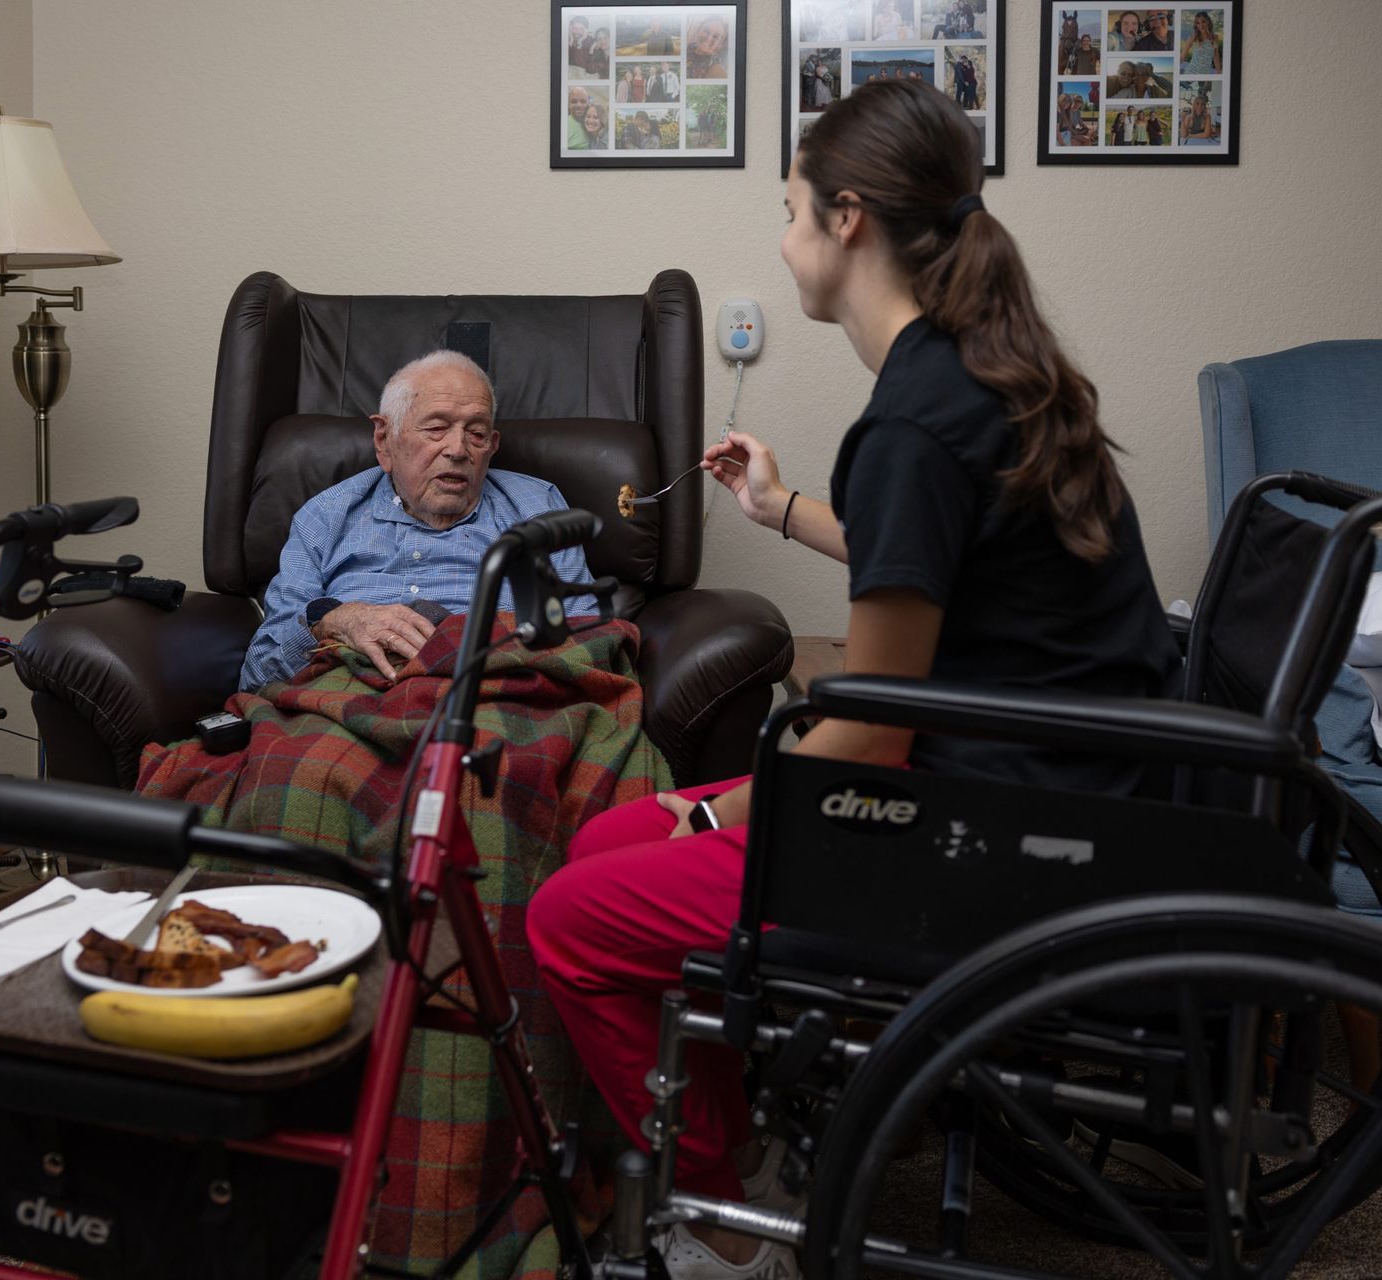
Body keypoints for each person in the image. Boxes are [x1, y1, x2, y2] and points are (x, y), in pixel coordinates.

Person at [527, 77, 1178, 1280]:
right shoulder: (971, 373)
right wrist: (776, 508)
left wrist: (715, 801)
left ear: (847, 218)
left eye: (787, 210)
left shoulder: (917, 422)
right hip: (1060, 787)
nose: (780, 242)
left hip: (979, 832)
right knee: (611, 849)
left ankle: (727, 1223)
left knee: (571, 910)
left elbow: (870, 745)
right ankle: (746, 1149)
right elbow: (933, 564)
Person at [238, 351, 590, 690]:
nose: (458, 449)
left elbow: (590, 644)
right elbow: (260, 671)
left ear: (492, 445)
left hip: (493, 699)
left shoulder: (537, 510)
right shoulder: (325, 517)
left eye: (477, 434)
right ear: (384, 440)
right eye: (436, 427)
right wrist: (331, 623)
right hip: (348, 703)